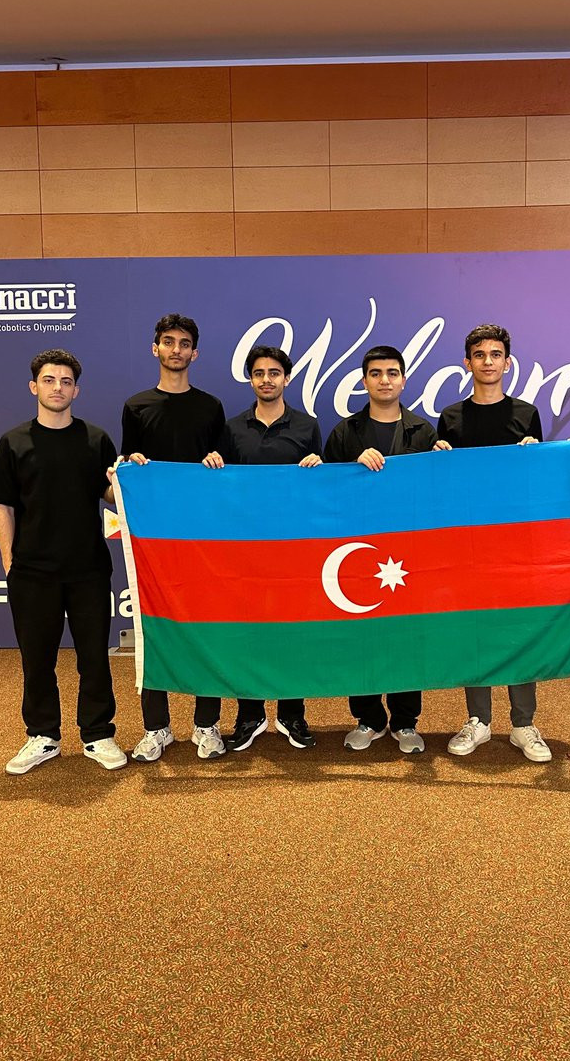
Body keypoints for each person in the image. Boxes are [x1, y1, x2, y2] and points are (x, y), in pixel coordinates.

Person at [0, 349, 126, 775]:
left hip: (88, 569)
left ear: (76, 391)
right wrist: (11, 566)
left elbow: (109, 498)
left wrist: (120, 482)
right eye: (49, 380)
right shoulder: (13, 442)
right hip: (32, 573)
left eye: (66, 382)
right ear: (35, 386)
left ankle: (98, 734)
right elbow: (3, 508)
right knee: (37, 660)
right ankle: (43, 735)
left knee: (94, 658)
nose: (58, 388)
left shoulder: (96, 440)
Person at [435, 324, 551, 763]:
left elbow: (536, 482)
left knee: (518, 628)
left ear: (507, 362)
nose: (488, 361)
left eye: (496, 354)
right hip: (467, 543)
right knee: (476, 629)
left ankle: (523, 724)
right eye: (479, 354)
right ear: (467, 362)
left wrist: (536, 454)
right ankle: (478, 720)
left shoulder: (526, 413)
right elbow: (443, 487)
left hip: (515, 542)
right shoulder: (450, 417)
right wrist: (438, 458)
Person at [202, 345, 323, 751]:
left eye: (274, 373)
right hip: (245, 549)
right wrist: (213, 465)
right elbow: (221, 489)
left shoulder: (307, 426)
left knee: (294, 631)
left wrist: (317, 468)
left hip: (294, 549)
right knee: (247, 631)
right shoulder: (233, 428)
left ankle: (292, 713)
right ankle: (250, 714)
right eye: (259, 373)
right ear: (250, 379)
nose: (266, 380)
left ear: (286, 378)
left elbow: (322, 491)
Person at [120, 313, 227, 762]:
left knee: (207, 628)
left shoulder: (211, 407)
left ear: (194, 353)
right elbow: (125, 469)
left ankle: (207, 724)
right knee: (155, 629)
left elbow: (225, 473)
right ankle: (156, 728)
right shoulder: (136, 406)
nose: (176, 349)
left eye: (184, 343)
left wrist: (217, 462)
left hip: (203, 538)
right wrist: (133, 464)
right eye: (168, 341)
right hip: (154, 542)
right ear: (156, 348)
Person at [324, 345, 437, 754]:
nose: (384, 380)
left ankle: (405, 722)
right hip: (359, 551)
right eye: (375, 373)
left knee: (406, 635)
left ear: (403, 380)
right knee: (363, 635)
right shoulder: (345, 432)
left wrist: (442, 462)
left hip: (407, 554)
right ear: (364, 380)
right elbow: (326, 489)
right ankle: (368, 718)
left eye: (392, 373)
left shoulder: (423, 432)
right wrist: (351, 466)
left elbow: (433, 493)